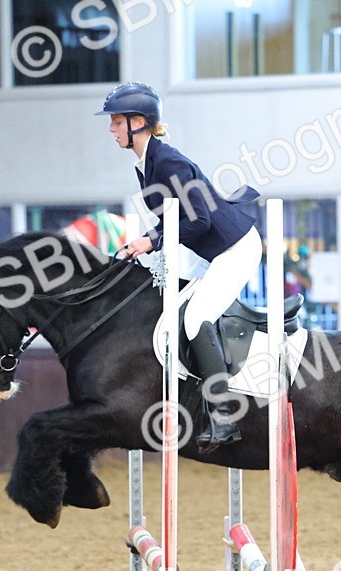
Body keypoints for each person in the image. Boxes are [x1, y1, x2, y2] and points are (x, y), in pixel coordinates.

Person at [96, 82, 260, 453]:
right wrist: (147, 241)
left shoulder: (166, 162)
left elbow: (199, 220)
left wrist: (151, 240)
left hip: (234, 247)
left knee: (195, 317)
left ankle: (222, 415)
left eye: (116, 121)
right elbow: (180, 219)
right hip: (216, 251)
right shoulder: (146, 163)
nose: (111, 129)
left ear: (138, 122)